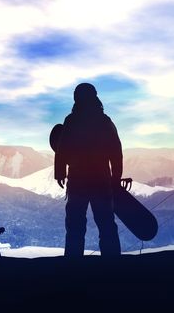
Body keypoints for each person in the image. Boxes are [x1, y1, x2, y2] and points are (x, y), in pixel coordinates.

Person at [54, 83, 122, 257]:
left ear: (76, 98)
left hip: (77, 179)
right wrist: (115, 178)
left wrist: (60, 172)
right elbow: (116, 151)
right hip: (101, 179)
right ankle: (113, 263)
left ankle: (73, 264)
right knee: (106, 223)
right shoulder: (104, 120)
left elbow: (62, 148)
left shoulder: (71, 120)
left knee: (75, 224)